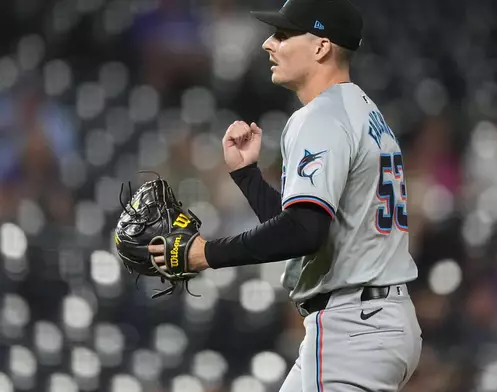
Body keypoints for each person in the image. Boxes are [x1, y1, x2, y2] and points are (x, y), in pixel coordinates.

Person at [149, 0, 422, 390]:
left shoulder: (320, 117)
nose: (267, 44)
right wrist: (247, 176)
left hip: (352, 329)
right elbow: (306, 230)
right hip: (377, 319)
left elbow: (303, 232)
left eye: (282, 34)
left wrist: (203, 254)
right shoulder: (363, 112)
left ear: (321, 47)